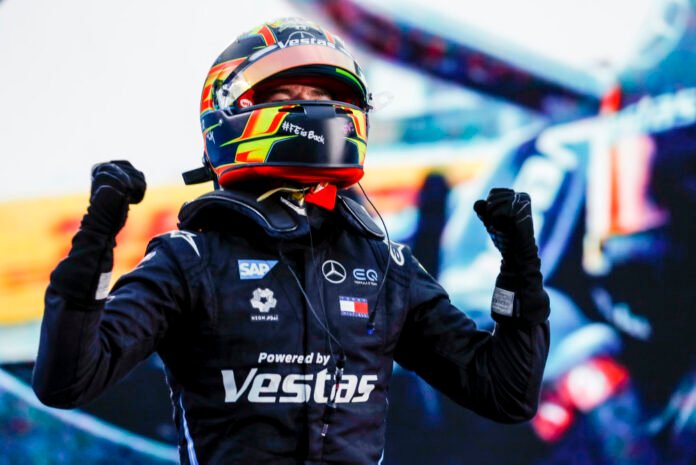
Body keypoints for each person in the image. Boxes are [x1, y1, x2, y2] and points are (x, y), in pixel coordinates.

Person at [32, 18, 551, 465]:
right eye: (287, 97)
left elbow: (505, 393)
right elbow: (67, 381)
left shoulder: (386, 266)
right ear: (230, 111)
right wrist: (95, 243)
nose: (313, 112)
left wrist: (520, 272)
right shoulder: (190, 260)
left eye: (323, 98)